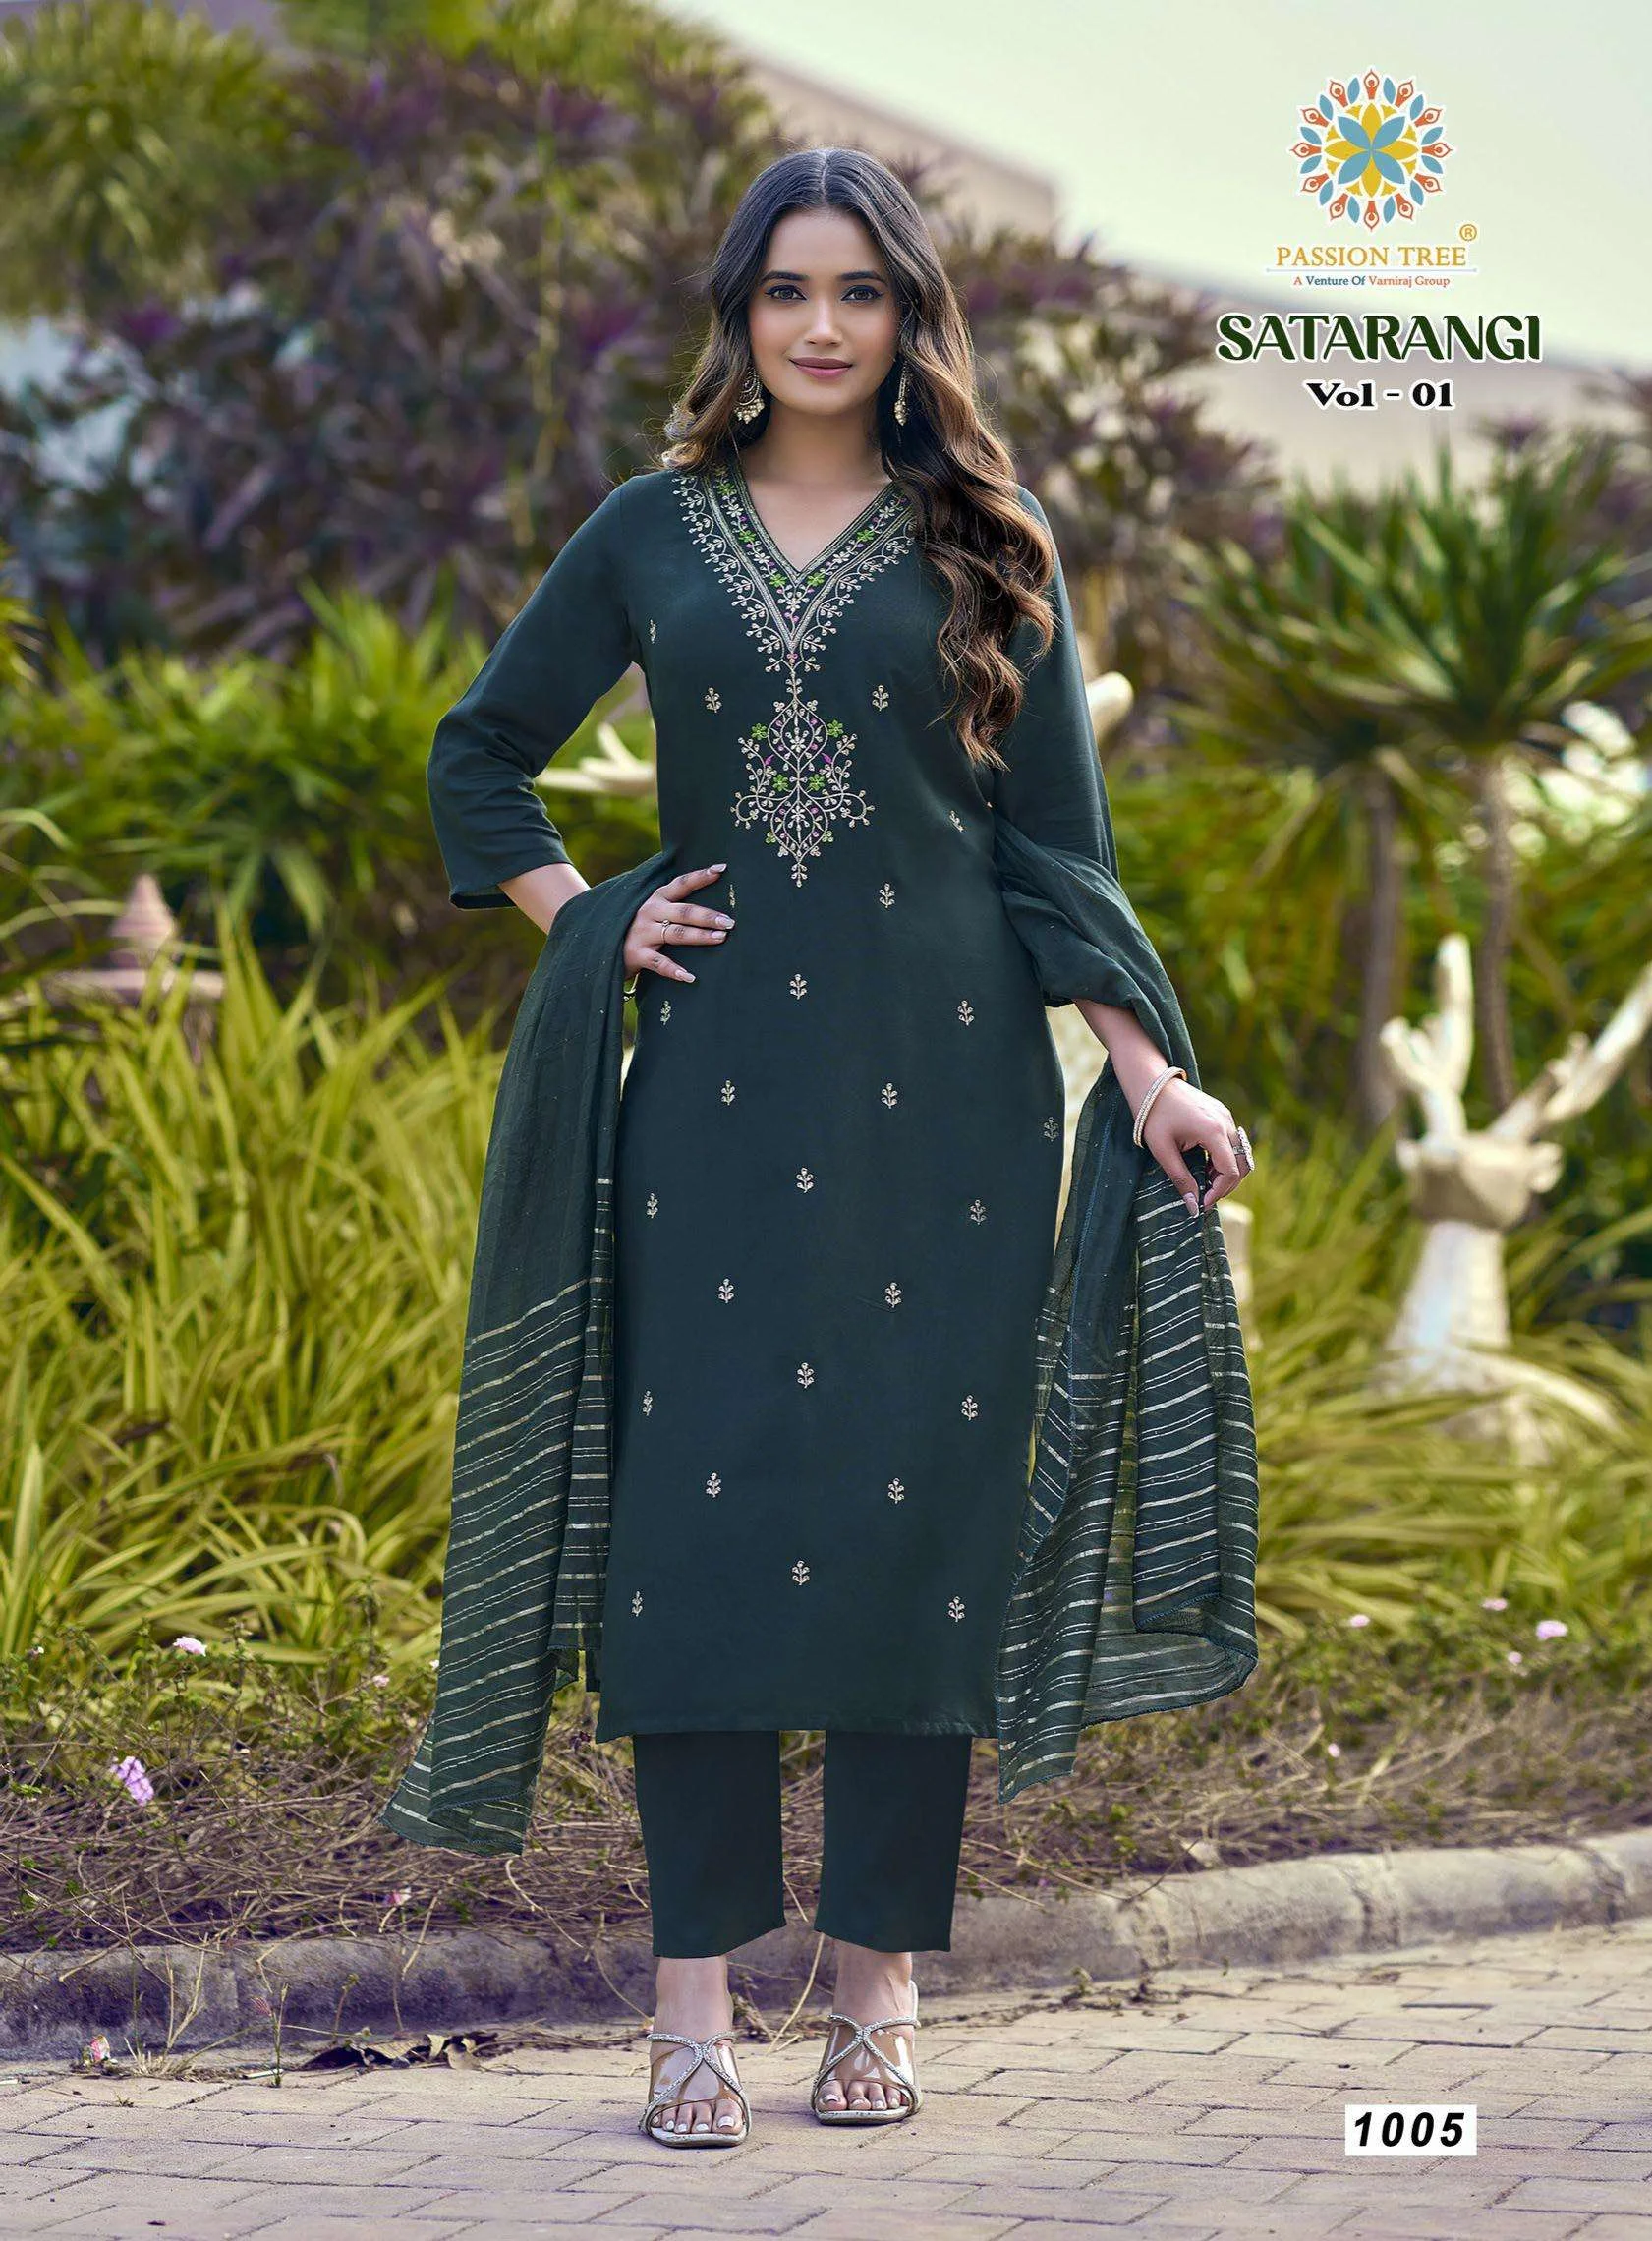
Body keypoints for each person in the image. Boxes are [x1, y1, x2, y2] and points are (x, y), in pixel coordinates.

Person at [385, 145, 1258, 2147]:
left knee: (911, 1537)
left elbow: (1056, 857)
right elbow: (480, 755)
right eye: (787, 288)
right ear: (740, 313)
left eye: (861, 290)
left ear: (909, 316)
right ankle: (688, 2005)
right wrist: (593, 922)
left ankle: (878, 1986)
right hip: (712, 1102)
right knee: (690, 1540)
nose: (822, 324)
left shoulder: (989, 543)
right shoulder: (651, 529)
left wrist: (1148, 1077)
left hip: (951, 1109)